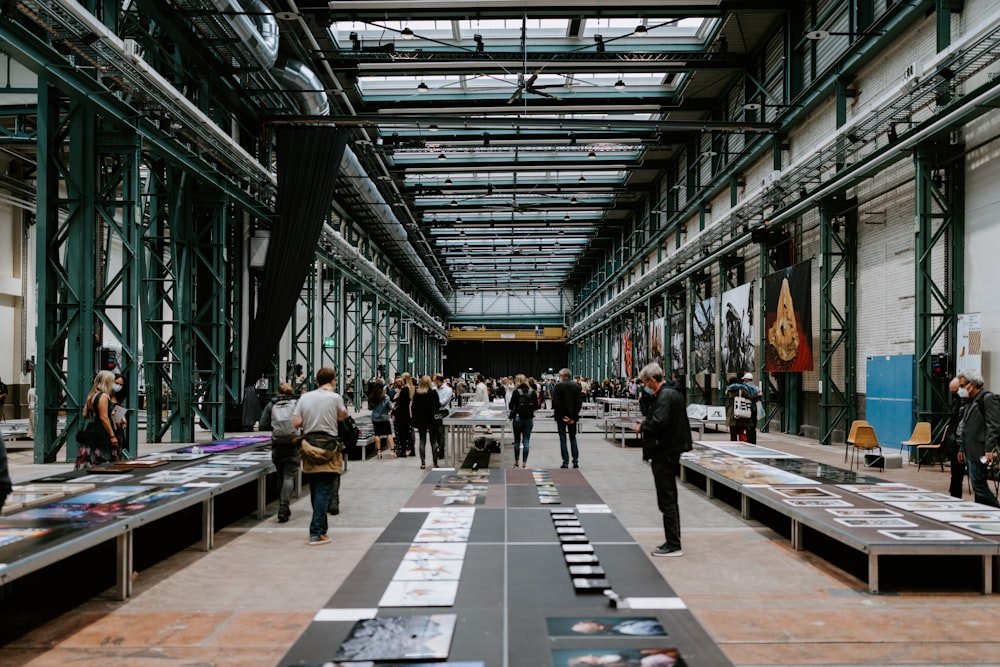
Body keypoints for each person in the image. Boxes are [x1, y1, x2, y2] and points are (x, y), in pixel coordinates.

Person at [637, 362, 693, 557]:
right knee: (668, 497)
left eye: (645, 382)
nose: (645, 386)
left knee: (666, 498)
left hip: (665, 451)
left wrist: (643, 426)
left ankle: (673, 544)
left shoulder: (665, 395)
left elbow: (659, 422)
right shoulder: (672, 393)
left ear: (652, 380)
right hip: (669, 449)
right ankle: (672, 540)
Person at [293, 367, 348, 546]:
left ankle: (321, 530)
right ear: (332, 380)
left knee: (316, 488)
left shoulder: (305, 397)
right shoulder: (335, 397)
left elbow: (296, 422)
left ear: (316, 380)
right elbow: (342, 416)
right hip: (328, 446)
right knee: (324, 489)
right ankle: (316, 533)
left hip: (309, 446)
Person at [956, 370, 1000, 508]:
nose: (961, 389)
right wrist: (962, 448)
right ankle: (982, 510)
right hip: (970, 450)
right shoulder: (970, 401)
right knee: (977, 485)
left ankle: (995, 509)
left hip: (980, 450)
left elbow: (993, 426)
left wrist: (989, 449)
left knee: (979, 484)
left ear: (972, 384)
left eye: (962, 385)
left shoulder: (987, 399)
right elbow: (966, 428)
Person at [260, 382, 299, 523]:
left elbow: (263, 424)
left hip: (277, 445)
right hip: (293, 444)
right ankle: (284, 507)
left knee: (280, 476)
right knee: (289, 476)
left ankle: (282, 506)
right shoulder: (296, 404)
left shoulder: (271, 405)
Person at [75, 370, 120, 468]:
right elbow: (104, 418)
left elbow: (85, 414)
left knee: (89, 459)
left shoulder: (92, 395)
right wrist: (112, 436)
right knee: (103, 460)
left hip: (91, 431)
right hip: (101, 434)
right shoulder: (103, 396)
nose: (113, 384)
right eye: (112, 381)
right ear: (106, 381)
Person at [553, 368, 583, 468]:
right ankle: (575, 461)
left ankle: (565, 462)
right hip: (572, 417)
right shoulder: (577, 386)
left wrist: (563, 416)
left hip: (561, 418)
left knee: (563, 439)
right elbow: (579, 403)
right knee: (573, 438)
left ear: (563, 376)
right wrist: (573, 417)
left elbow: (556, 403)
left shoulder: (558, 386)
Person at [411, 375, 440, 469]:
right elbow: (438, 406)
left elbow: (413, 408)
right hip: (432, 420)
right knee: (434, 441)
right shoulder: (433, 393)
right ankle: (435, 462)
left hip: (420, 421)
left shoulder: (417, 393)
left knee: (422, 441)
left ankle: (423, 463)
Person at [508, 374, 537, 468]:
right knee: (526, 441)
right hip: (529, 418)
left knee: (517, 441)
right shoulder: (532, 392)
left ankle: (516, 461)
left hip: (517, 418)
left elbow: (510, 406)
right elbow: (536, 406)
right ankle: (524, 462)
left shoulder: (516, 392)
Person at [944, 376, 965, 498]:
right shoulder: (957, 402)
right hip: (956, 443)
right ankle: (954, 497)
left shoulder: (975, 402)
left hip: (969, 444)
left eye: (956, 391)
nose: (956, 394)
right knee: (956, 476)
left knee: (978, 481)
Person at [725, 374, 759, 443]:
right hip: (741, 412)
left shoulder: (728, 391)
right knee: (741, 432)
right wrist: (758, 396)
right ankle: (743, 445)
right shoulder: (741, 389)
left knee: (733, 433)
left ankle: (733, 446)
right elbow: (750, 398)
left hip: (731, 413)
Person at [368, 380, 395, 458]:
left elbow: (370, 408)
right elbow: (390, 407)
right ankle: (392, 451)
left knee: (377, 434)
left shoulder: (372, 397)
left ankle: (379, 452)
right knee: (388, 434)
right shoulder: (386, 397)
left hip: (375, 418)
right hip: (384, 418)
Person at [392, 373, 415, 457]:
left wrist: (393, 408)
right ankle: (412, 450)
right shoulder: (411, 388)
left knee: (402, 433)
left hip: (401, 413)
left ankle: (403, 451)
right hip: (406, 413)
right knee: (408, 433)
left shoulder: (405, 388)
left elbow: (400, 400)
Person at [432, 374, 452, 463]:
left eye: (434, 380)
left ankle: (441, 451)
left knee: (441, 433)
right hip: (434, 412)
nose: (433, 382)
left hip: (443, 412)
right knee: (434, 432)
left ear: (439, 380)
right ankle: (436, 449)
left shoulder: (448, 390)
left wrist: (434, 402)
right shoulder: (433, 389)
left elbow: (443, 402)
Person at [570, 618, 666, 636]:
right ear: (600, 628)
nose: (581, 621)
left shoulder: (624, 624)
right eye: (581, 624)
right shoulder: (630, 629)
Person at [110, 373, 128, 457]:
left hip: (117, 427)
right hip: (109, 427)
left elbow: (117, 409)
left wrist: (123, 418)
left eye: (121, 385)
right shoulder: (105, 396)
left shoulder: (117, 396)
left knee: (118, 451)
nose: (118, 386)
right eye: (116, 383)